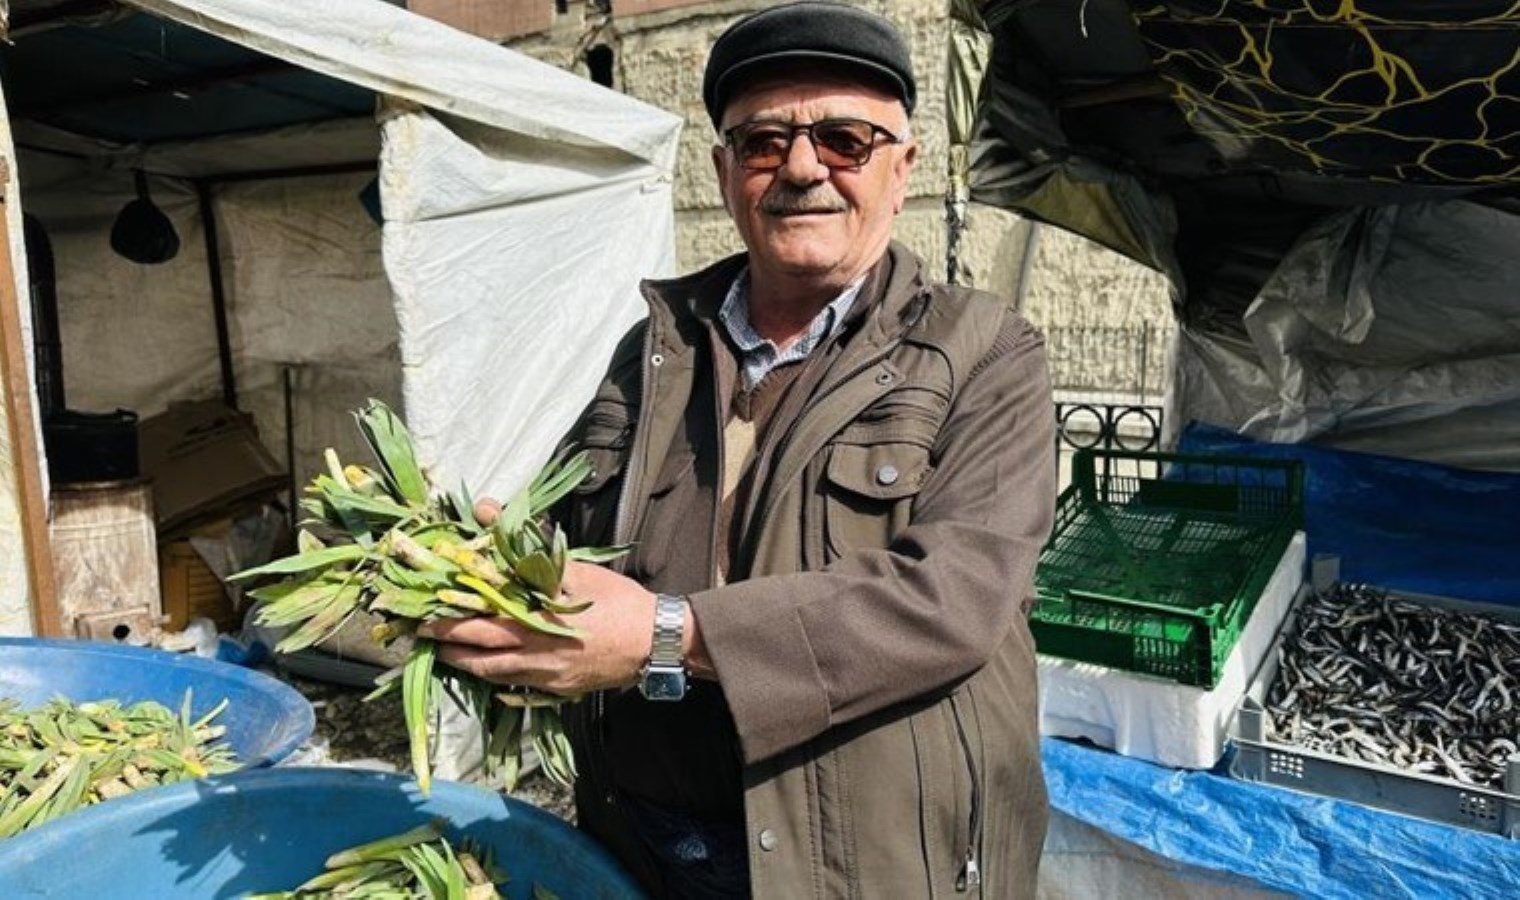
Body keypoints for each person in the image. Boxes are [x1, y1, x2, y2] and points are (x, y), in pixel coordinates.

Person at [422, 2, 1056, 896]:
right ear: (725, 172)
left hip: (863, 863)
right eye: (763, 142)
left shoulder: (986, 352)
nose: (802, 168)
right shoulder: (655, 348)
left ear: (904, 166)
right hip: (649, 842)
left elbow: (951, 601)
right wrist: (474, 571)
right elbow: (571, 537)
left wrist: (665, 634)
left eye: (844, 139)